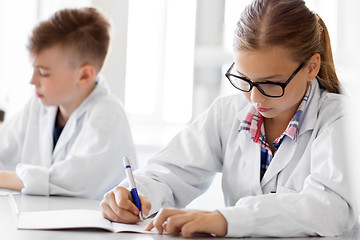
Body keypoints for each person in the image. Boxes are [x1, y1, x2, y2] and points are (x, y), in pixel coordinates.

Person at [100, 0, 356, 237]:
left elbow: (330, 207)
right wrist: (137, 194)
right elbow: (171, 172)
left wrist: (228, 219)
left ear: (311, 67)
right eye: (244, 79)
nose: (256, 98)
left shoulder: (340, 118)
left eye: (271, 83)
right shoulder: (227, 112)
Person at [0, 7, 136, 200]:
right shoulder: (39, 106)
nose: (32, 80)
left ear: (84, 75)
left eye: (44, 73)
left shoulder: (108, 113)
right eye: (33, 69)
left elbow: (73, 180)